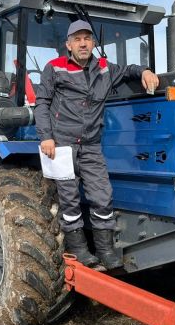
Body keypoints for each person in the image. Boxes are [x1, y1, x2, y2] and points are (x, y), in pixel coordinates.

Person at [34, 20, 160, 270]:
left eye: (87, 39)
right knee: (69, 200)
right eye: (77, 39)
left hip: (91, 145)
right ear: (68, 44)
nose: (83, 43)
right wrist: (45, 136)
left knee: (102, 196)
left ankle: (104, 249)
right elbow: (42, 103)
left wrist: (145, 71)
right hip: (61, 146)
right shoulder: (54, 68)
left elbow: (128, 70)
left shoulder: (104, 68)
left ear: (93, 43)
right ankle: (79, 249)